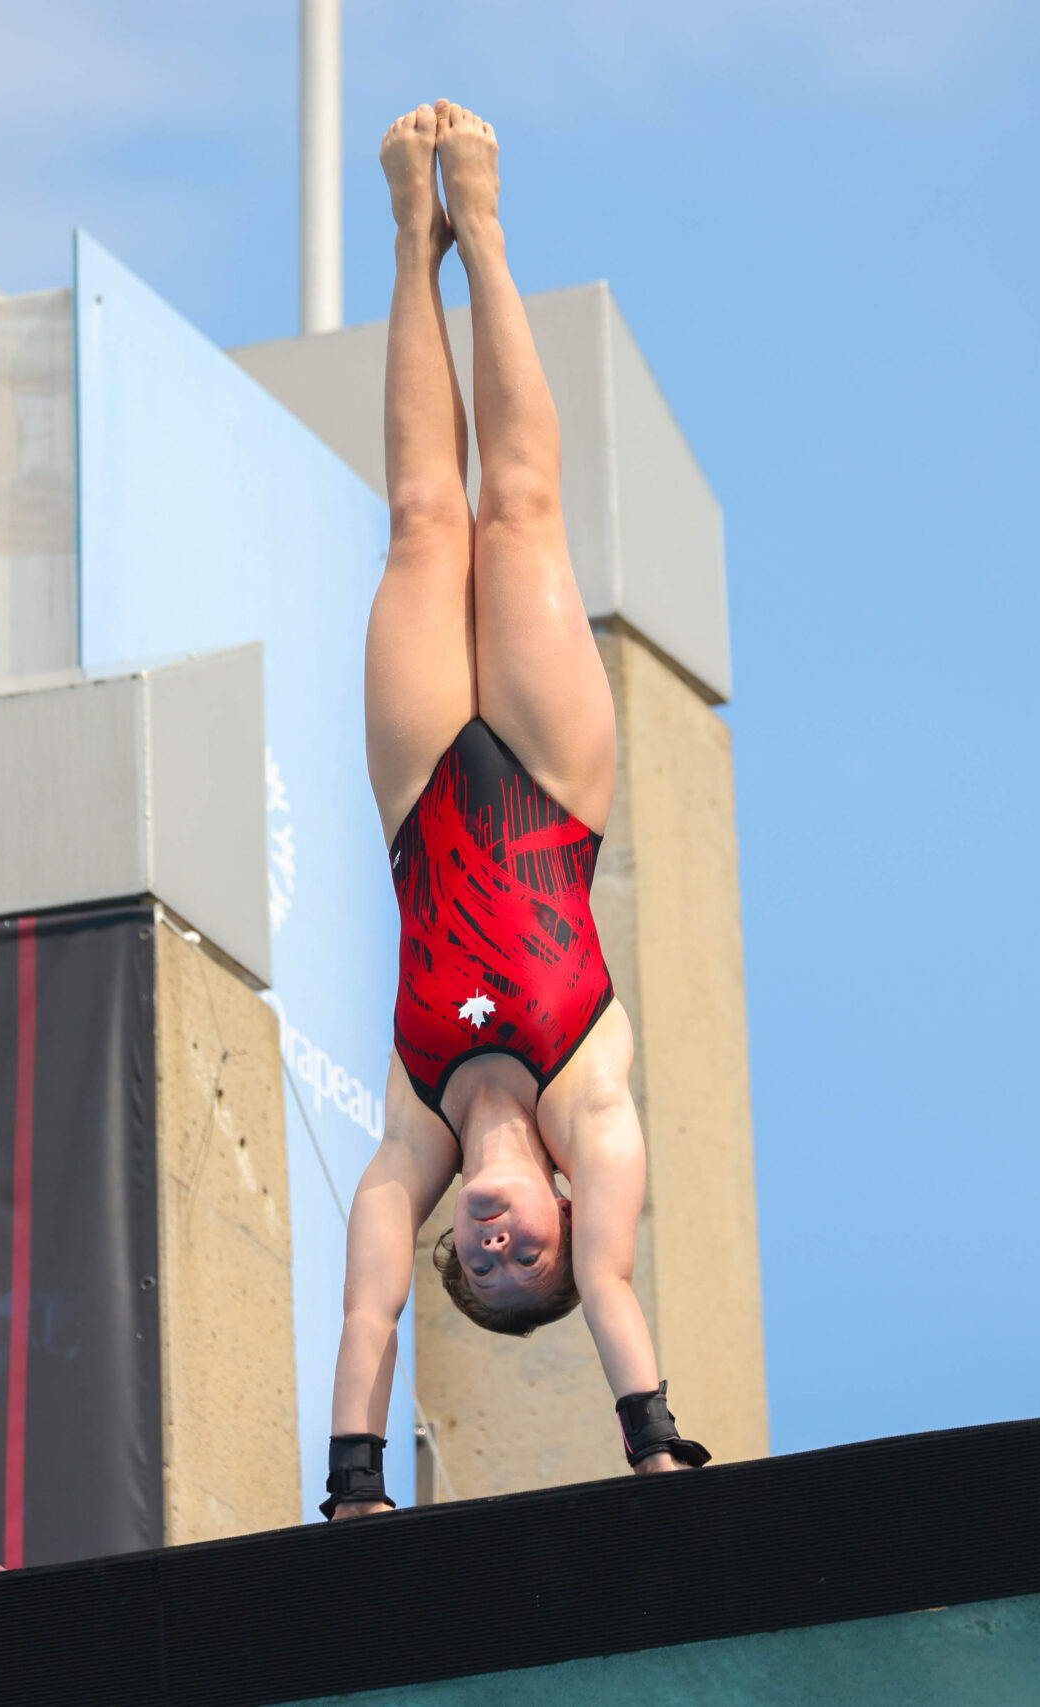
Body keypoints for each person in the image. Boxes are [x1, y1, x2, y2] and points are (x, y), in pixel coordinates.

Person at [319, 100, 711, 1521]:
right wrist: (652, 1446)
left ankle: (407, 244)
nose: (494, 1248)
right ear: (559, 1217)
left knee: (427, 515)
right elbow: (612, 1283)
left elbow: (370, 1314)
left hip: (422, 788)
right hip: (551, 781)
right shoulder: (591, 1110)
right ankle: (482, 228)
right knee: (522, 511)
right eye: (521, 1258)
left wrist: (356, 1484)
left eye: (476, 1271)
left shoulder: (410, 1142)